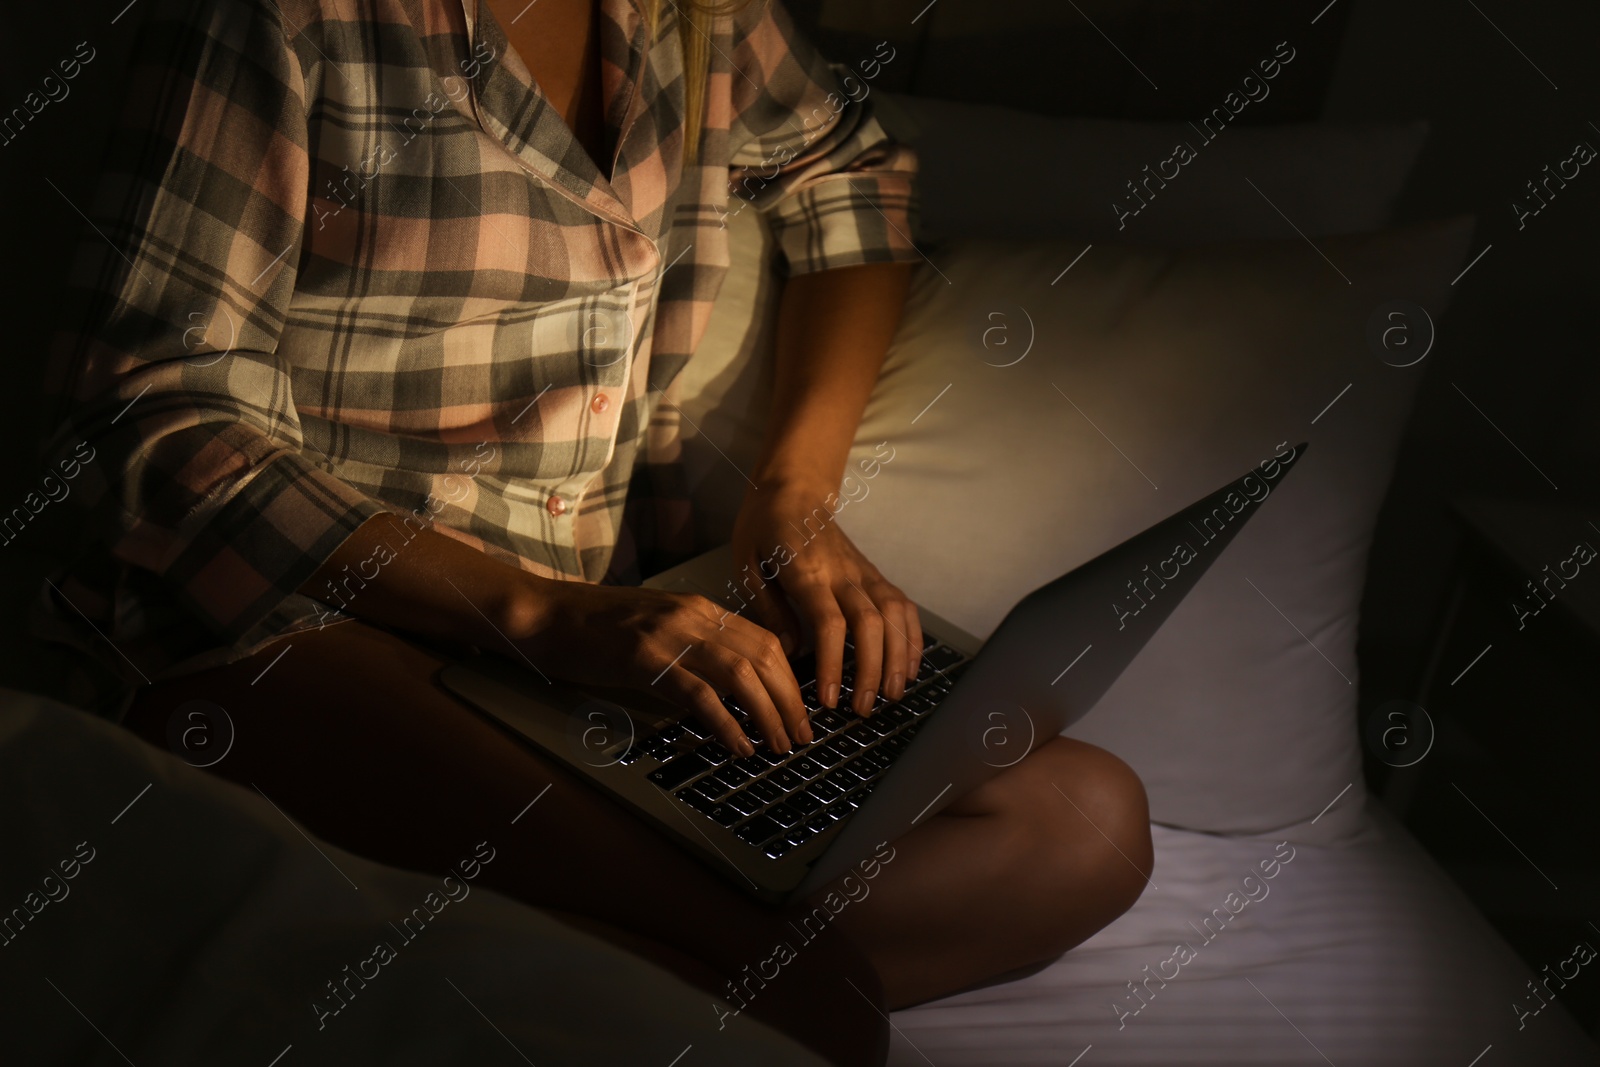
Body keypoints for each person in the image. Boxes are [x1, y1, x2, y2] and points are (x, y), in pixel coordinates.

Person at [36, 0, 1154, 1062]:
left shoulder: (695, 14)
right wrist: (545, 613)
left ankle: (503, 949)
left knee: (1084, 825)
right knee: (815, 1015)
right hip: (304, 627)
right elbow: (148, 408)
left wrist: (792, 498)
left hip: (585, 650)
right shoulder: (285, 17)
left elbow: (849, 178)